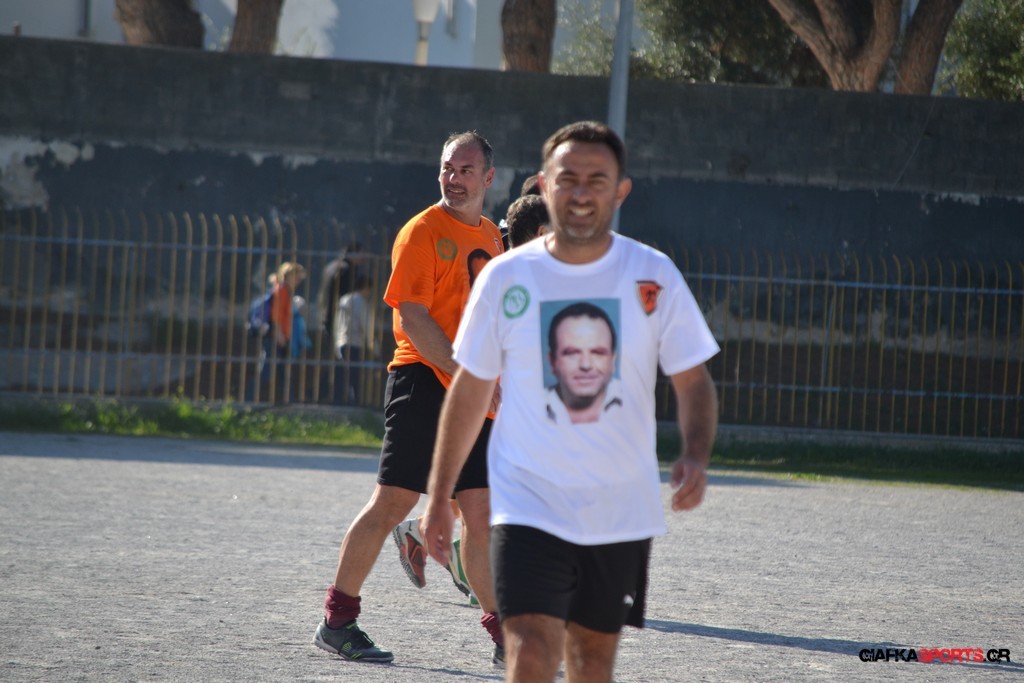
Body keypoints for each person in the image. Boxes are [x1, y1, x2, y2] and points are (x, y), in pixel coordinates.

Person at [420, 121, 720, 683]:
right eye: (567, 178)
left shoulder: (652, 274)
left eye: (596, 179)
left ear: (620, 190)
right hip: (527, 502)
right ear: (544, 184)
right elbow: (469, 391)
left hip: (617, 506)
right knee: (532, 650)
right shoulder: (505, 278)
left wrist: (696, 454)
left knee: (590, 662)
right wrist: (438, 496)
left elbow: (693, 380)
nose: (581, 192)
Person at [313, 130, 505, 666]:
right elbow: (413, 317)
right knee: (394, 502)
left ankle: (504, 635)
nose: (453, 178)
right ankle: (337, 621)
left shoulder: (492, 236)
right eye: (447, 167)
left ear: (488, 178)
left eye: (466, 170)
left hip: (471, 389)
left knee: (480, 511)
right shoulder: (422, 230)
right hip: (422, 379)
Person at [544, 301, 621, 425]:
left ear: (613, 361)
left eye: (597, 353)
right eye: (572, 353)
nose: (586, 365)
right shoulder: (533, 405)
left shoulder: (632, 398)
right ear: (552, 361)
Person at [254, 262, 306, 401]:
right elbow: (276, 315)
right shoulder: (282, 290)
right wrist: (279, 334)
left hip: (282, 336)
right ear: (288, 276)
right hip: (276, 337)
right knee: (266, 372)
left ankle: (289, 401)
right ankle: (249, 398)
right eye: (297, 277)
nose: (299, 281)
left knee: (284, 373)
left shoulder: (285, 291)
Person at [332, 275, 370, 404]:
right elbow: (364, 323)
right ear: (365, 288)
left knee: (342, 373)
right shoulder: (359, 301)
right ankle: (355, 401)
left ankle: (339, 399)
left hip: (341, 340)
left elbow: (337, 322)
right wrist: (371, 342)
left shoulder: (344, 299)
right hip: (355, 341)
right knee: (355, 374)